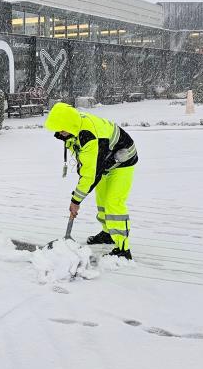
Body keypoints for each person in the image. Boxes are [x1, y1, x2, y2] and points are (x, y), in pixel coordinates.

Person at [44, 102, 139, 261]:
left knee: (113, 203)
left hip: (123, 160)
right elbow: (88, 164)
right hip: (106, 160)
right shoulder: (74, 128)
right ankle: (108, 233)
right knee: (102, 200)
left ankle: (123, 249)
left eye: (61, 129)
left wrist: (76, 200)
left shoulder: (89, 136)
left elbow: (90, 175)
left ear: (69, 125)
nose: (59, 132)